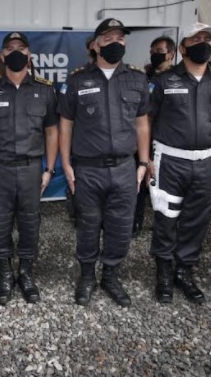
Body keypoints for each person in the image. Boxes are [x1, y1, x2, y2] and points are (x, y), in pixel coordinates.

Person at [59, 18, 151, 308]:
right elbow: (65, 125)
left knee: (121, 227)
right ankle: (87, 276)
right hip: (88, 168)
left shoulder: (137, 79)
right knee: (87, 226)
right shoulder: (77, 80)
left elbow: (142, 124)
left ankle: (111, 276)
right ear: (95, 45)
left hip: (124, 168)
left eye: (120, 39)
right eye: (109, 39)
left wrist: (143, 162)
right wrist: (66, 165)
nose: (116, 43)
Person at [148, 23, 211, 305]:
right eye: (196, 39)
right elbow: (147, 119)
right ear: (183, 48)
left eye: (207, 38)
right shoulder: (164, 80)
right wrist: (146, 158)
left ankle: (184, 270)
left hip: (206, 162)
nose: (203, 43)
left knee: (197, 219)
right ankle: (164, 270)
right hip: (169, 160)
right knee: (166, 216)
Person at [0, 32, 59, 305]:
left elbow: (52, 132)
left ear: (29, 54)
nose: (16, 52)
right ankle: (5, 274)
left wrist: (49, 170)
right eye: (10, 48)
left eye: (21, 47)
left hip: (31, 169)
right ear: (3, 55)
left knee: (30, 223)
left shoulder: (45, 90)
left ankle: (26, 272)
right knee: (0, 223)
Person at [134, 35, 178, 237]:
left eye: (159, 51)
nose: (155, 55)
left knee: (164, 186)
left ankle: (165, 225)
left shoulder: (177, 79)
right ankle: (136, 222)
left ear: (171, 54)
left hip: (166, 140)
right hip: (144, 138)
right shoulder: (145, 76)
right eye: (152, 52)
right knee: (140, 183)